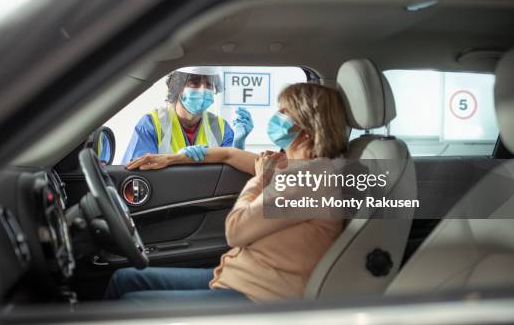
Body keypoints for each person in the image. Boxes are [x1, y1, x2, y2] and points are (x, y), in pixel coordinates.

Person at [106, 82, 349, 303]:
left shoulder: (312, 178)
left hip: (260, 295)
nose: (277, 117)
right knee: (124, 278)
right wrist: (170, 158)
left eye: (285, 112)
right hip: (238, 277)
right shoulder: (291, 165)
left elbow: (236, 231)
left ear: (307, 128)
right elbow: (228, 155)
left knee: (133, 302)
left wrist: (261, 179)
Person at [112, 67, 254, 164]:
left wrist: (238, 143)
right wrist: (177, 159)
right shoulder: (152, 124)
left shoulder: (221, 127)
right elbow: (137, 174)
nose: (203, 90)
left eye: (209, 85)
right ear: (177, 88)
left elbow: (231, 173)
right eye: (195, 83)